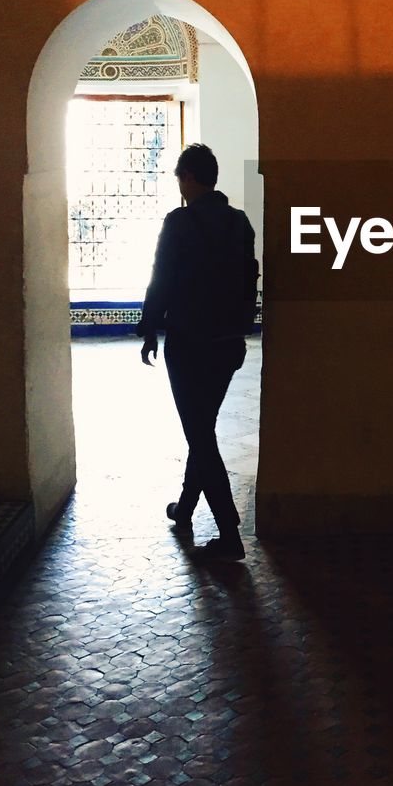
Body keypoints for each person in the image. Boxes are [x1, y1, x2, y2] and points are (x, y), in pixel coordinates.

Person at [137, 143, 259, 562]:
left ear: (188, 177)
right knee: (202, 424)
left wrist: (149, 326)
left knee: (200, 433)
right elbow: (249, 281)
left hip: (188, 342)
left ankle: (229, 534)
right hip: (227, 344)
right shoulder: (240, 223)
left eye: (179, 177)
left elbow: (161, 278)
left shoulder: (179, 222)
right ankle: (186, 509)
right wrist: (241, 331)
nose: (179, 185)